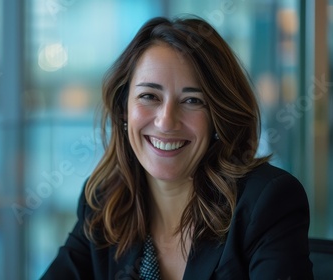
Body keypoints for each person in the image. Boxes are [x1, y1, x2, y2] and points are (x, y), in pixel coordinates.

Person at [41, 16, 313, 280]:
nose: (166, 121)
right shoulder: (104, 203)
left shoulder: (266, 203)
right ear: (124, 109)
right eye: (149, 96)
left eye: (193, 100)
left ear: (217, 116)